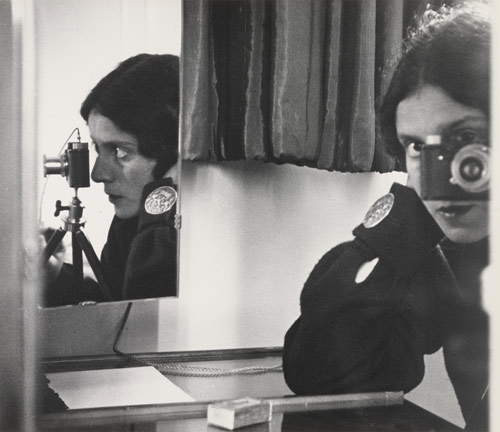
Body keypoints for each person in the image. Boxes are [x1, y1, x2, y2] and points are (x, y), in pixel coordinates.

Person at [282, 3, 490, 430]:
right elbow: (321, 374)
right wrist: (405, 225)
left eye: (466, 136)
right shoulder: (454, 251)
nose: (438, 173)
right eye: (416, 146)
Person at [43, 53, 179, 305]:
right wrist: (53, 276)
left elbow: (146, 318)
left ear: (172, 157)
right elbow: (114, 303)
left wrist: (160, 201)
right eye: (97, 148)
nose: (97, 174)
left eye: (120, 151)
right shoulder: (127, 222)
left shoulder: (196, 229)